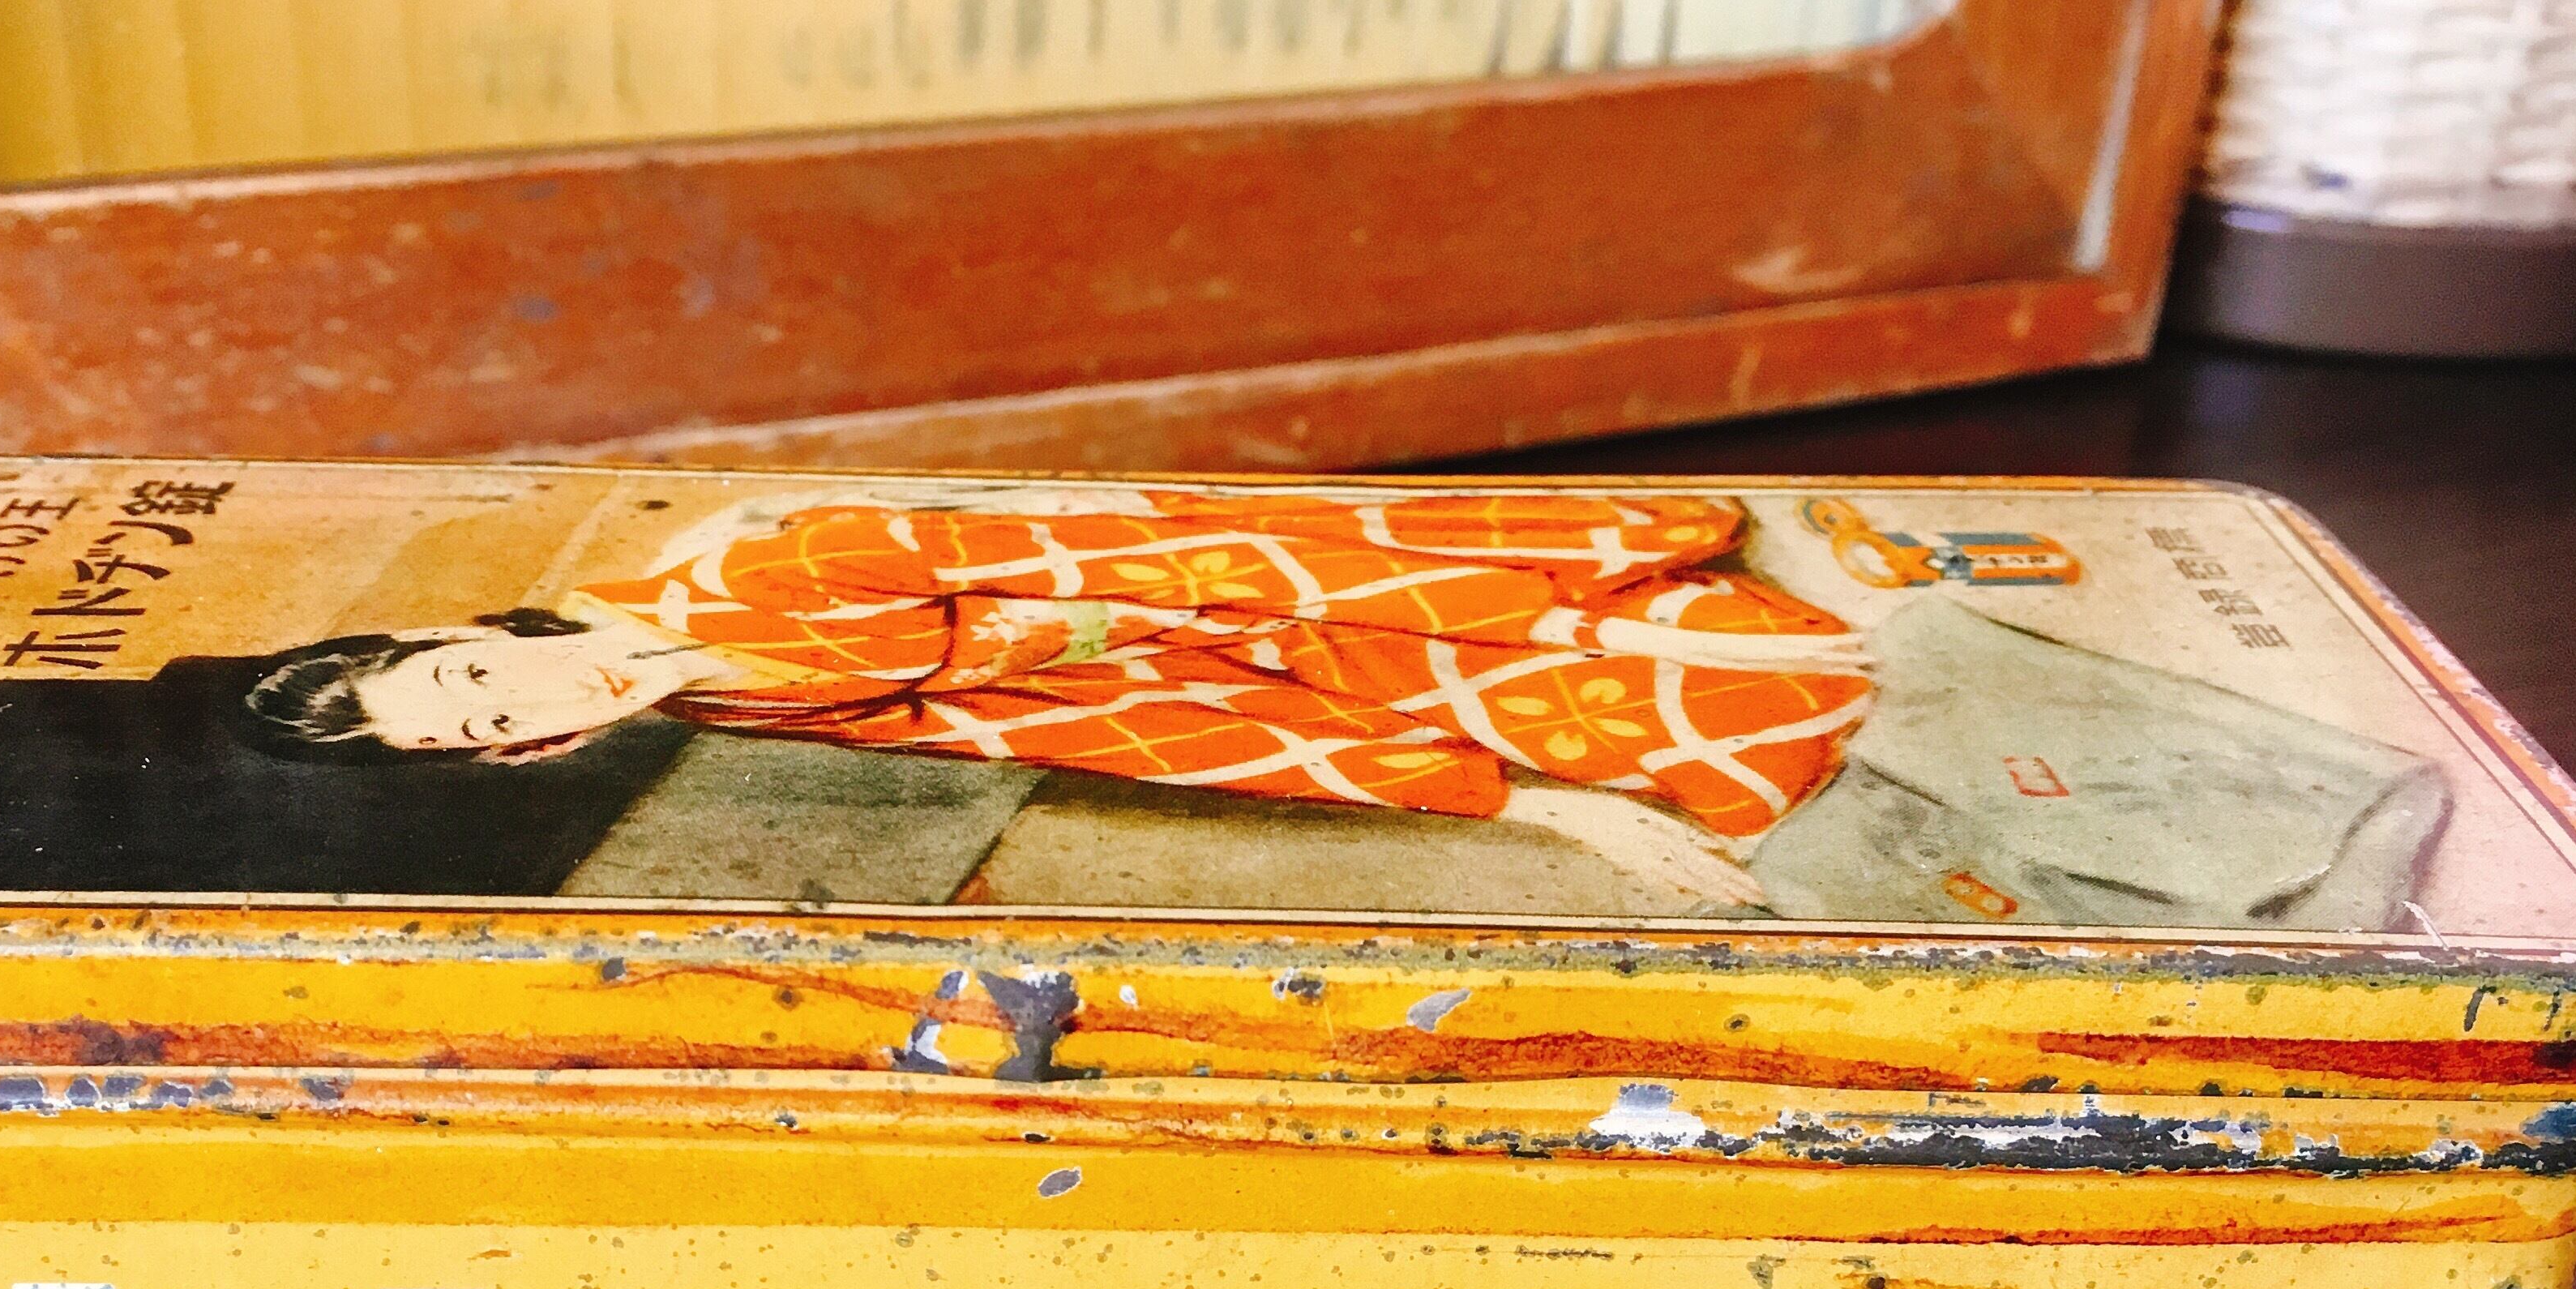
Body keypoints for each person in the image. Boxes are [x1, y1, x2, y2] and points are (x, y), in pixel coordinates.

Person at [225, 487, 1875, 908]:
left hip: (1281, 576)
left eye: (466, 674)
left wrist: (1548, 621)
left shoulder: (773, 572)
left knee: (1755, 669)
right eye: (485, 726)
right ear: (530, 752)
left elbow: (1162, 552)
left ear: (465, 627)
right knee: (1687, 777)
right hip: (1211, 666)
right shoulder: (740, 707)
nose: (515, 698)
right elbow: (1125, 731)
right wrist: (1542, 808)